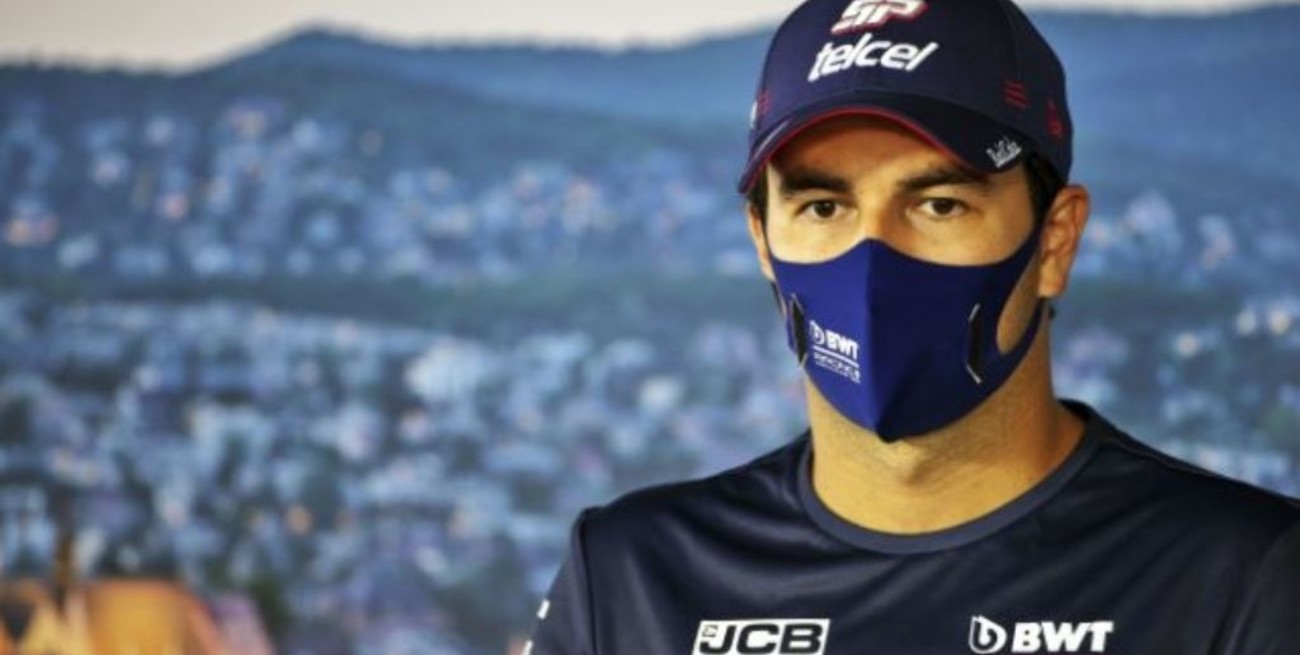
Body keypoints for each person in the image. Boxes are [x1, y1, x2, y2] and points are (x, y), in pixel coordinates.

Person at [525, 1, 1300, 653]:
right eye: (823, 206)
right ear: (762, 239)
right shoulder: (630, 578)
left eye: (939, 204)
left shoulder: (1242, 577)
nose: (874, 260)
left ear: (1055, 241)